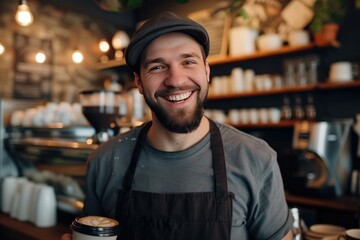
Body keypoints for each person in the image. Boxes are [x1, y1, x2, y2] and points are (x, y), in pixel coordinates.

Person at [62, 11, 293, 240]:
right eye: (157, 67)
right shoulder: (105, 160)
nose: (176, 79)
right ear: (139, 82)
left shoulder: (256, 159)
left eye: (188, 62)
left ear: (206, 71)